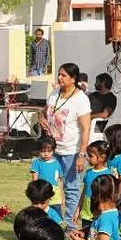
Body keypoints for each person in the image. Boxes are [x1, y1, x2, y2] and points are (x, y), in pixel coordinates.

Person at [45, 64, 92, 223]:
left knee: (71, 189)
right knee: (50, 186)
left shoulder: (81, 99)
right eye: (59, 74)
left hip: (71, 151)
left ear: (74, 79)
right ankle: (53, 221)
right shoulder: (53, 94)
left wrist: (82, 154)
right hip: (51, 150)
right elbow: (45, 112)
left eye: (64, 75)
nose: (59, 78)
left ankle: (70, 227)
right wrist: (42, 119)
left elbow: (86, 129)